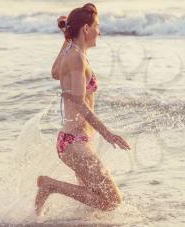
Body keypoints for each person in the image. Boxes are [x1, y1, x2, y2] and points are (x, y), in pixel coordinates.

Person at [35, 3, 131, 215]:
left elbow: (54, 72)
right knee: (112, 200)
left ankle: (52, 189)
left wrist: (66, 38)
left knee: (93, 201)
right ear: (86, 29)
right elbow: (79, 103)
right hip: (75, 143)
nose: (100, 31)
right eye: (97, 26)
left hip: (72, 141)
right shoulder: (77, 57)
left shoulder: (72, 50)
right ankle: (51, 185)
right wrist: (108, 134)